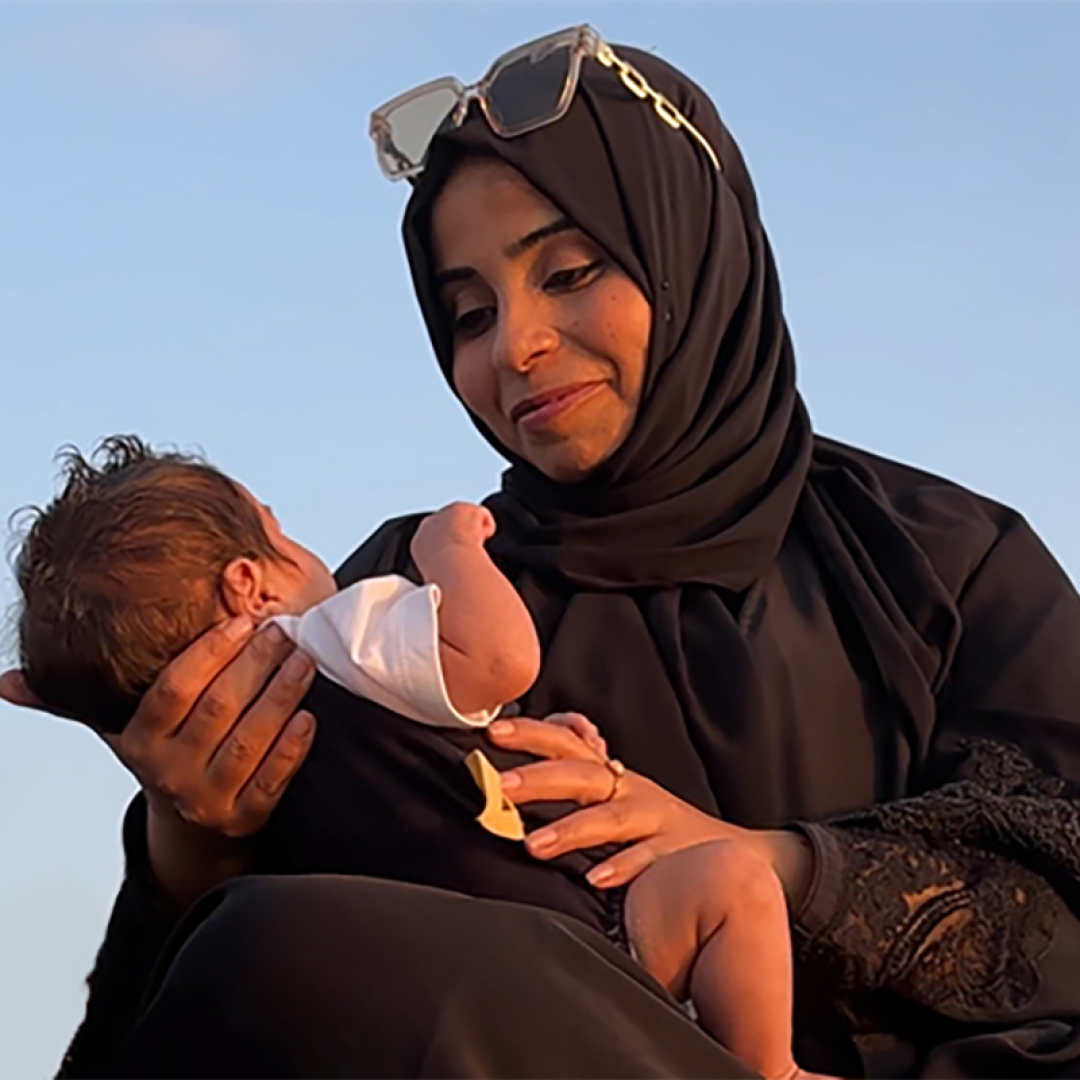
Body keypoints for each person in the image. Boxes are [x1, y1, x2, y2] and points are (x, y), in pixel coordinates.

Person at [6, 23, 1080, 1080]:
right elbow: (188, 1029)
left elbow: (1059, 889)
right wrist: (192, 852)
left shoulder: (944, 559)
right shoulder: (408, 603)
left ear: (689, 249)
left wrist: (758, 861)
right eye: (468, 313)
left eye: (567, 274)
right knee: (269, 943)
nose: (513, 347)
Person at [15, 435, 834, 1080]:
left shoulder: (268, 799)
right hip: (588, 942)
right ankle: (770, 1066)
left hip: (503, 994)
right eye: (281, 534)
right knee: (732, 877)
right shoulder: (338, 634)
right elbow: (501, 660)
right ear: (246, 586)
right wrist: (448, 550)